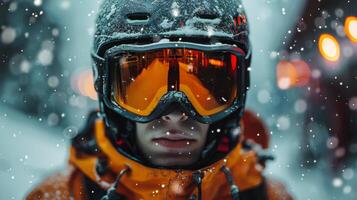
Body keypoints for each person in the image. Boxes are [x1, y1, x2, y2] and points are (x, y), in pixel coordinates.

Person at [27, 0, 293, 199]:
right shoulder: (59, 194)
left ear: (238, 90)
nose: (175, 112)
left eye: (205, 89)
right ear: (106, 89)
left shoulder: (271, 197)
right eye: (143, 90)